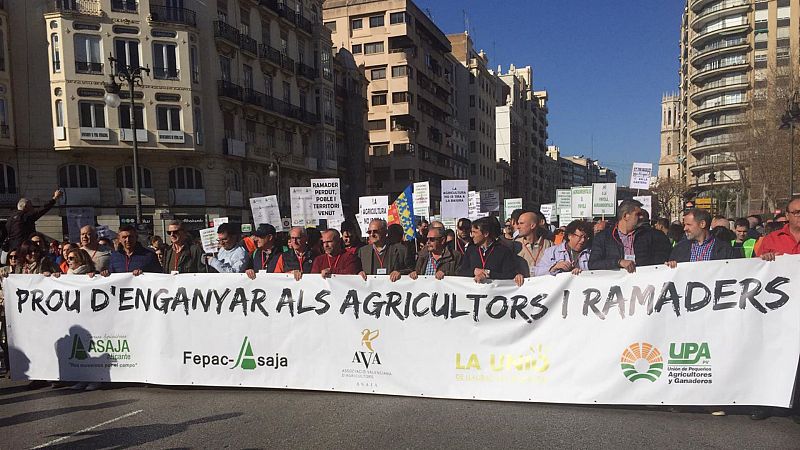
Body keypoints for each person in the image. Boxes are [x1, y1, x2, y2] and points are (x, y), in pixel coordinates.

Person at [588, 199, 672, 273]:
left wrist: (668, 264)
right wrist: (618, 262)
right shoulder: (603, 237)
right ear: (625, 216)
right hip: (616, 284)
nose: (642, 217)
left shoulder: (652, 236)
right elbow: (593, 264)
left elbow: (662, 259)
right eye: (638, 214)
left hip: (643, 282)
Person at [666, 208, 741, 268]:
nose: (685, 228)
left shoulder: (724, 249)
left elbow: (732, 272)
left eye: (689, 224)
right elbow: (671, 275)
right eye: (684, 225)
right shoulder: (680, 248)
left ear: (702, 224)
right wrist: (670, 266)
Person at [457, 217, 523, 285]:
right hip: (473, 290)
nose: (471, 236)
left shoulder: (503, 251)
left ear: (486, 234)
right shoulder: (471, 250)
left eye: (474, 232)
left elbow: (509, 275)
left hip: (494, 290)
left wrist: (488, 273)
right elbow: (461, 272)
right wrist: (474, 272)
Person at [757, 196, 800, 260]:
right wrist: (765, 258)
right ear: (787, 215)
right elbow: (758, 263)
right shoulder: (771, 238)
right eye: (797, 213)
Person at [514, 211, 553, 277]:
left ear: (532, 225)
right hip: (524, 283)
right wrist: (516, 274)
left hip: (543, 282)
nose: (518, 227)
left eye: (521, 223)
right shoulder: (515, 245)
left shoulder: (549, 245)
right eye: (518, 223)